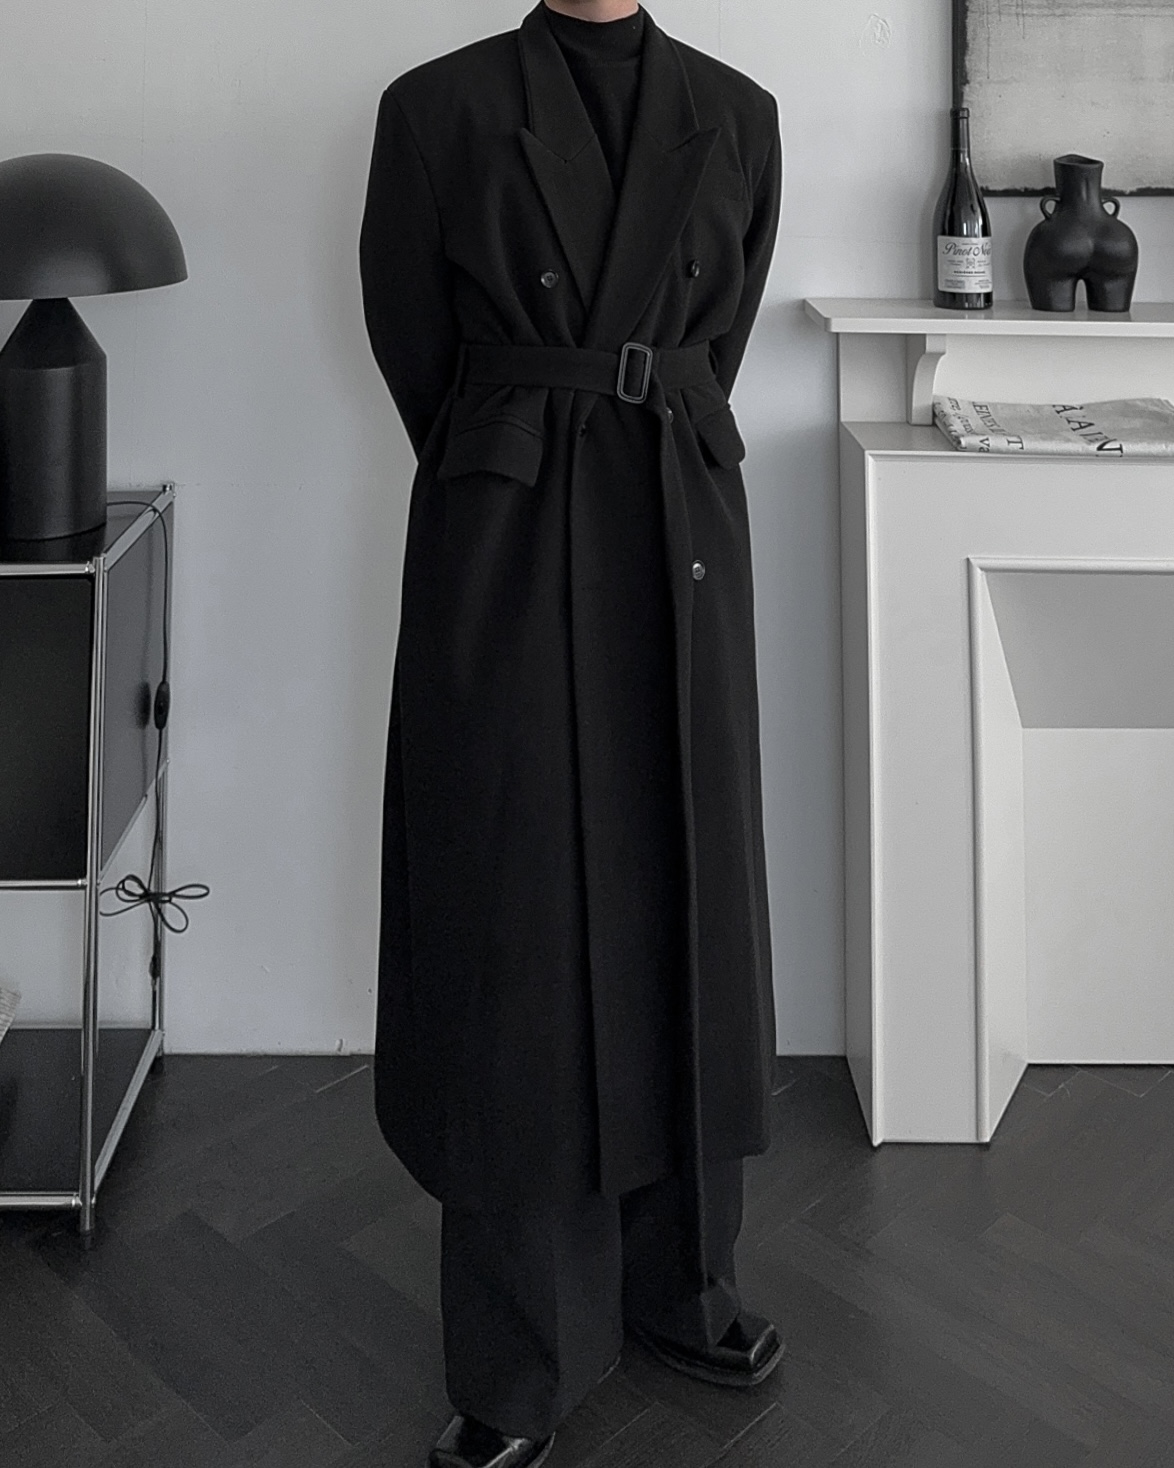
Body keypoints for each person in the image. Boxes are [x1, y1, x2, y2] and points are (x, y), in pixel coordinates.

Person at [359, 2, 784, 1464]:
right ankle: (519, 1359)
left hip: (680, 522)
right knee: (514, 924)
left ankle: (685, 1284)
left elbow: (718, 333)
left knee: (691, 897)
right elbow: (416, 346)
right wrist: (532, 440)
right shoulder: (435, 108)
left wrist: (624, 422)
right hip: (506, 522)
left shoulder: (738, 112)